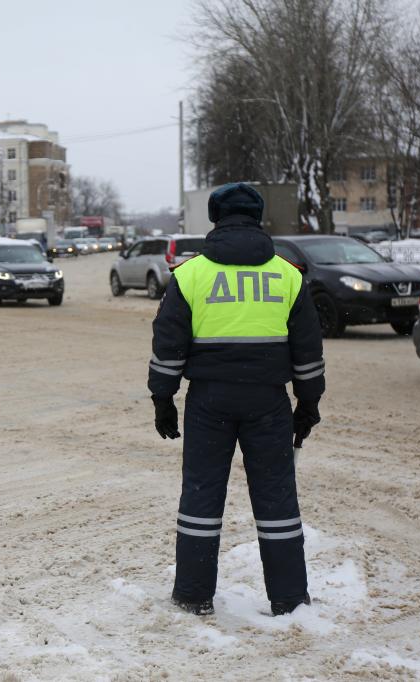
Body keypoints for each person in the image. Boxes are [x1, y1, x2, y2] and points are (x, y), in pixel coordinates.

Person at [148, 182, 325, 616]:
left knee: (201, 497)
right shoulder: (287, 275)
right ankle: (288, 598)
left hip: (209, 402)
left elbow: (169, 342)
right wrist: (308, 403)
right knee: (277, 499)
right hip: (269, 402)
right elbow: (307, 349)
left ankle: (193, 594)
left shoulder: (190, 275)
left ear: (215, 218)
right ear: (258, 218)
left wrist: (163, 398)